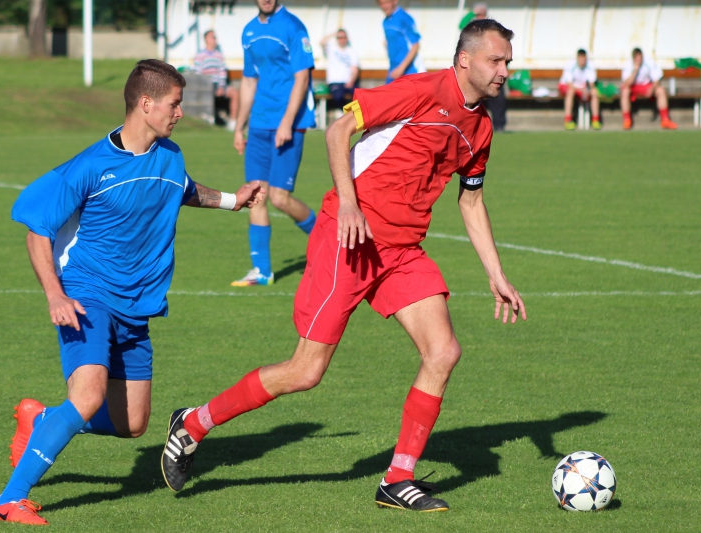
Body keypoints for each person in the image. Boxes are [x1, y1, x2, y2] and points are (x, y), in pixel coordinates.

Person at [161, 19, 526, 512]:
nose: (504, 70)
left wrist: (496, 274)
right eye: (496, 60)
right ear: (465, 60)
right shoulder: (420, 90)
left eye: (507, 62)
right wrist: (350, 204)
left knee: (443, 352)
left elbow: (471, 201)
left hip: (402, 251)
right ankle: (193, 423)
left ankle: (397, 479)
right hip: (348, 237)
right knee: (305, 371)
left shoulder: (480, 128)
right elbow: (338, 130)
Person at [0, 59, 263, 526]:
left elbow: (182, 189)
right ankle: (9, 500)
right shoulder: (91, 165)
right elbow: (38, 230)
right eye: (174, 104)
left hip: (137, 305)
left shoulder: (170, 155)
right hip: (87, 293)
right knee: (88, 396)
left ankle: (42, 421)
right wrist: (55, 295)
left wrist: (235, 201)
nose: (180, 112)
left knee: (132, 424)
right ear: (146, 104)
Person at [231, 0, 318, 287]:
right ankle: (262, 272)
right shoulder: (248, 31)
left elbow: (302, 78)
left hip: (290, 122)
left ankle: (328, 241)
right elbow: (248, 81)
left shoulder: (293, 27)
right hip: (259, 123)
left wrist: (287, 122)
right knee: (255, 194)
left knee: (280, 198)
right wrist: (239, 127)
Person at [620, 48, 677, 130]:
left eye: (640, 58)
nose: (639, 60)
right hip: (633, 87)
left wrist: (652, 88)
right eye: (636, 59)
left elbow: (656, 80)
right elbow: (627, 84)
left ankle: (665, 120)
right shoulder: (628, 64)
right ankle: (627, 120)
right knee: (625, 91)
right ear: (633, 58)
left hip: (646, 86)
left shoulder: (648, 62)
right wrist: (635, 70)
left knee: (660, 90)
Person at [194, 29, 240, 131]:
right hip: (207, 85)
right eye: (213, 37)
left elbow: (222, 72)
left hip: (219, 84)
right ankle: (210, 119)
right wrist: (207, 86)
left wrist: (221, 87)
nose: (215, 40)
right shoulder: (200, 55)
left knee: (235, 93)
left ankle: (233, 122)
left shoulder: (219, 55)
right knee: (208, 93)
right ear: (206, 39)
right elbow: (198, 74)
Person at [377, 0, 425, 83]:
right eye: (381, 3)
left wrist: (401, 68)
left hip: (409, 71)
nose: (384, 6)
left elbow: (415, 45)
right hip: (393, 69)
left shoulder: (404, 17)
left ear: (395, 1)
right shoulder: (385, 21)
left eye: (387, 2)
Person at [559, 49, 601, 130]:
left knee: (594, 92)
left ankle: (595, 120)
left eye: (584, 60)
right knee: (570, 92)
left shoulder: (590, 65)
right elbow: (569, 84)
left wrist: (587, 90)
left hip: (582, 87)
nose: (582, 62)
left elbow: (591, 83)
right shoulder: (570, 65)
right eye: (580, 59)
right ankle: (568, 120)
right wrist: (582, 90)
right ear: (577, 58)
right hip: (566, 86)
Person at [320, 29, 360, 110]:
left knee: (359, 95)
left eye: (344, 37)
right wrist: (333, 34)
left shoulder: (351, 51)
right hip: (335, 81)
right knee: (338, 96)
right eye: (339, 37)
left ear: (347, 38)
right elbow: (321, 42)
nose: (342, 40)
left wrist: (351, 81)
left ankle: (356, 114)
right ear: (337, 39)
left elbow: (355, 68)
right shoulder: (331, 49)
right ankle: (345, 113)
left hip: (348, 82)